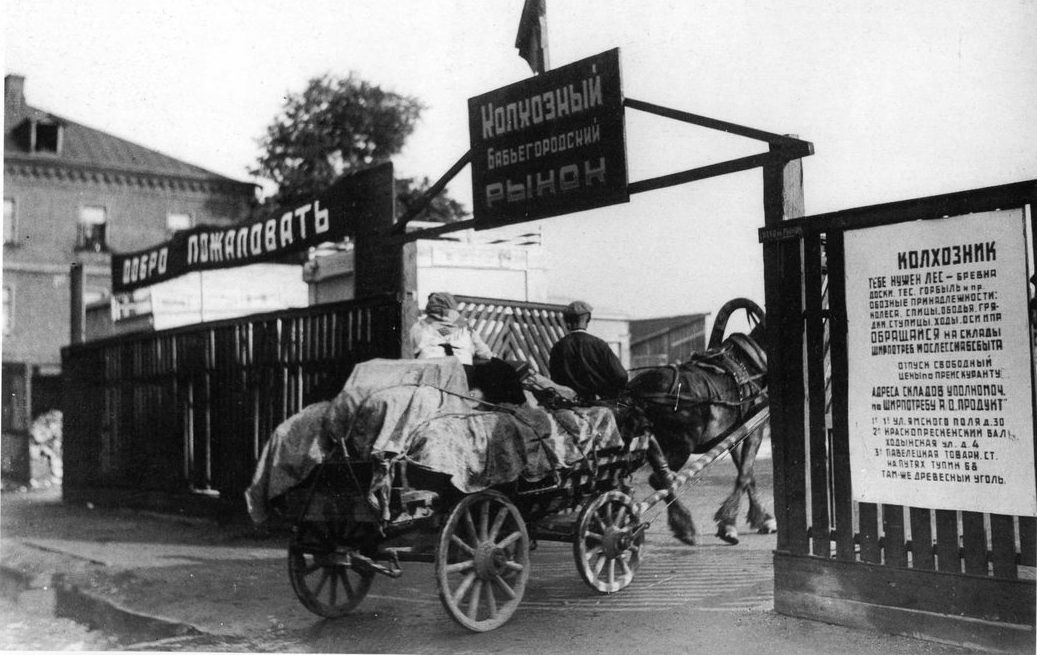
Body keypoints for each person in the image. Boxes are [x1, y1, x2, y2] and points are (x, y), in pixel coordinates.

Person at [409, 291, 526, 404]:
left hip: (432, 369)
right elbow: (483, 352)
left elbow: (412, 350)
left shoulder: (420, 326)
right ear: (452, 308)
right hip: (463, 372)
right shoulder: (464, 326)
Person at [549, 301, 628, 401]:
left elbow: (555, 380)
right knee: (630, 408)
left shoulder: (558, 347)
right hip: (600, 403)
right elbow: (621, 376)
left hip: (568, 404)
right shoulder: (599, 344)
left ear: (566, 321)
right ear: (588, 319)